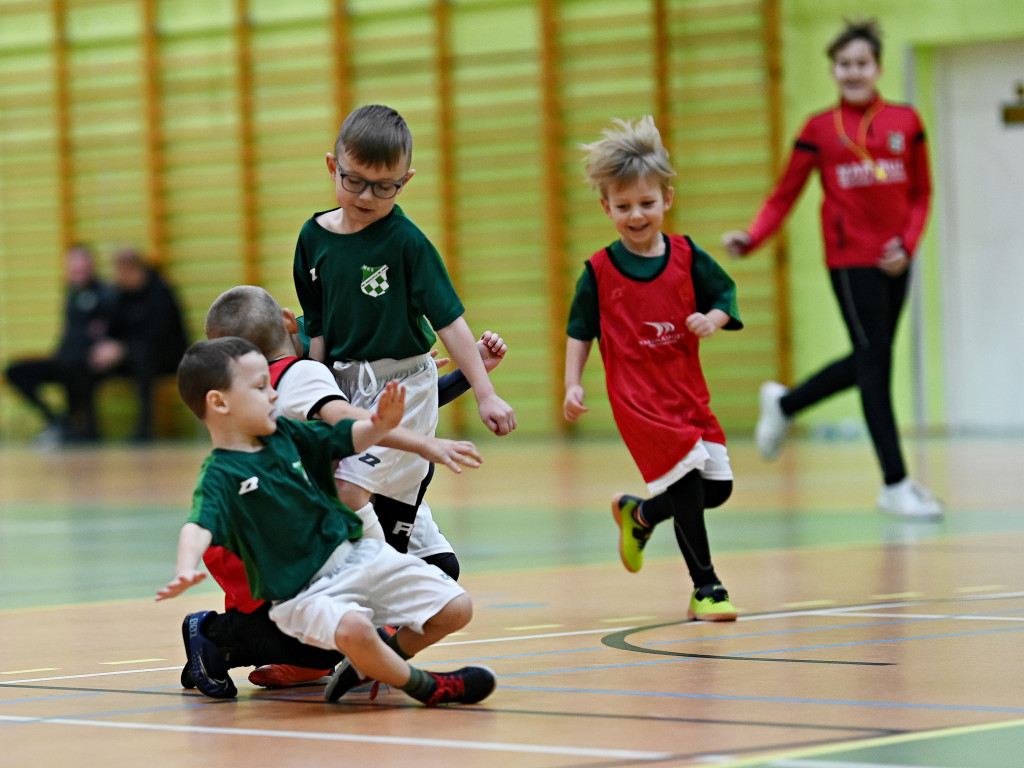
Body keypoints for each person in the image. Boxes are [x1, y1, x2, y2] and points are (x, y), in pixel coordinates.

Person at [189, 285, 502, 693]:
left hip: (357, 485)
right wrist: (439, 412)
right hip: (308, 514)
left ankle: (371, 659)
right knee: (343, 612)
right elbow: (361, 421)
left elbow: (383, 416)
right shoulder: (303, 360)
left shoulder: (326, 351)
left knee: (438, 570)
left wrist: (444, 379)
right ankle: (236, 641)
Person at [720, 19, 941, 519]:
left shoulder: (907, 122)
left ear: (878, 67)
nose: (853, 72)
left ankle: (786, 404)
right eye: (844, 65)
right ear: (833, 71)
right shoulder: (819, 130)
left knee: (870, 360)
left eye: (862, 63)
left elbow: (922, 193)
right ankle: (895, 483)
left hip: (896, 260)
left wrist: (907, 244)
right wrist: (752, 238)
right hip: (849, 261)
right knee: (875, 363)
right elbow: (784, 195)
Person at [293, 103, 516, 559]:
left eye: (384, 187)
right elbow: (316, 326)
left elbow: (449, 321)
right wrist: (315, 387)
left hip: (406, 388)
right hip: (344, 386)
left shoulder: (407, 242)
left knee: (348, 492)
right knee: (353, 492)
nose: (367, 197)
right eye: (354, 180)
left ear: (406, 181)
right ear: (333, 167)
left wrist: (486, 392)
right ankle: (415, 560)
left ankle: (378, 582)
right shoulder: (312, 239)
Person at [563, 116, 743, 622]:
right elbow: (580, 331)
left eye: (646, 203)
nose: (636, 215)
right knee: (686, 486)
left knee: (718, 489)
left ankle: (639, 514)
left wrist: (712, 318)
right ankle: (706, 588)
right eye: (623, 207)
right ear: (606, 207)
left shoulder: (688, 256)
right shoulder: (599, 271)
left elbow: (724, 295)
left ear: (666, 198)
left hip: (687, 392)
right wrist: (572, 383)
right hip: (637, 399)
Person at [4, 244, 117, 445]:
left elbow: (113, 334)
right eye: (73, 267)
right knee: (15, 371)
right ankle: (56, 421)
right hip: (63, 360)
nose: (77, 271)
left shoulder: (106, 294)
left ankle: (81, 427)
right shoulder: (71, 294)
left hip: (87, 364)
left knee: (74, 368)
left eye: (82, 266)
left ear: (91, 265)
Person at [88, 248, 190, 441]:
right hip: (132, 354)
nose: (117, 276)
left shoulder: (160, 292)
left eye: (121, 271)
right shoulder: (122, 295)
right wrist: (105, 345)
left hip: (168, 356)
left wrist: (123, 348)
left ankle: (146, 428)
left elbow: (159, 336)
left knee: (143, 359)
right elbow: (113, 328)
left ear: (133, 269)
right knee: (91, 361)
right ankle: (88, 428)